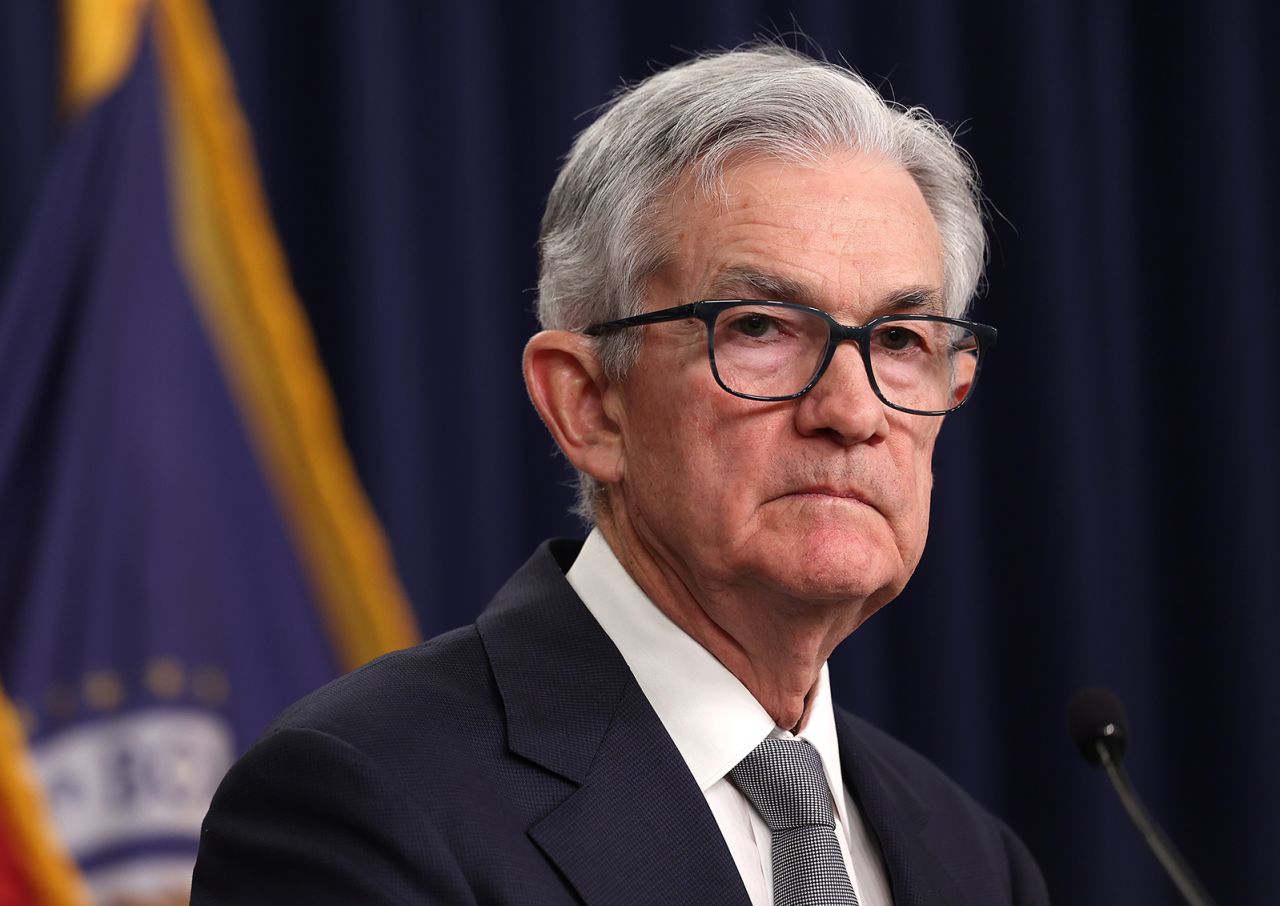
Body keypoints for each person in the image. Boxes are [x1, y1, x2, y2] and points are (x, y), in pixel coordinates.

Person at [192, 45, 1049, 905]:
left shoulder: (978, 865)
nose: (852, 411)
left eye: (900, 342)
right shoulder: (363, 801)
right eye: (760, 328)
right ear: (590, 406)